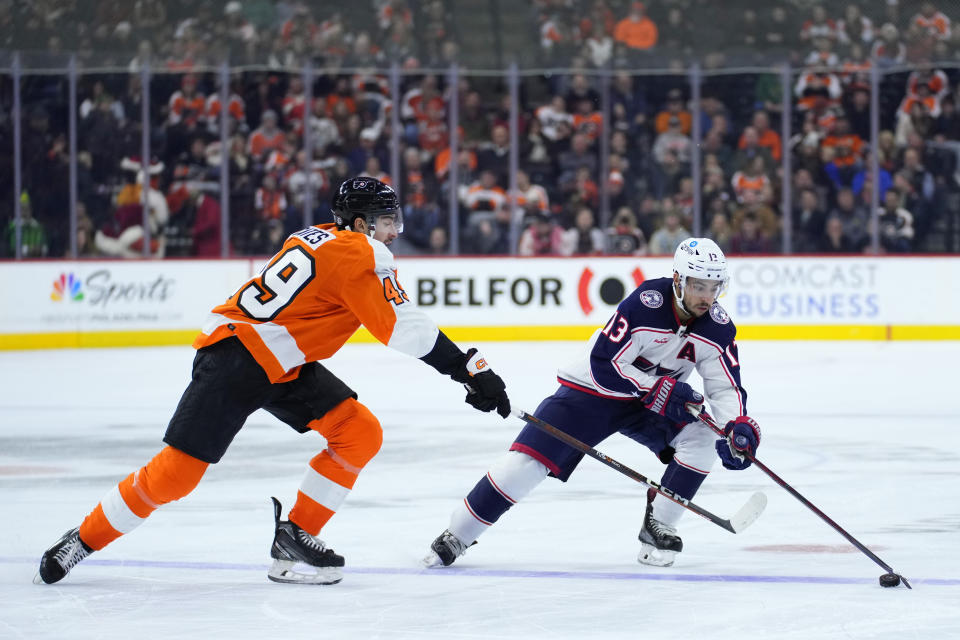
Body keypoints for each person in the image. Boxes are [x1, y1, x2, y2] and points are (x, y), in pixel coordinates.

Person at [35, 177, 511, 587]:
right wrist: (467, 369)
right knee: (175, 475)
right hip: (238, 360)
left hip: (279, 359)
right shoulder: (361, 253)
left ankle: (293, 541)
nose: (395, 230)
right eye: (388, 220)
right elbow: (404, 329)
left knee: (358, 432)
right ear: (363, 224)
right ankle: (82, 538)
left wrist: (464, 370)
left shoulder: (319, 236)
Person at [423, 238, 760, 569]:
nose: (707, 296)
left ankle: (660, 524)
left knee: (701, 437)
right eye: (698, 286)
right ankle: (458, 533)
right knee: (528, 463)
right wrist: (658, 389)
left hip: (648, 403)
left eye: (714, 287)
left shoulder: (718, 328)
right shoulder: (645, 304)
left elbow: (726, 387)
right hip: (591, 393)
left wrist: (734, 428)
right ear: (678, 280)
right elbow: (604, 365)